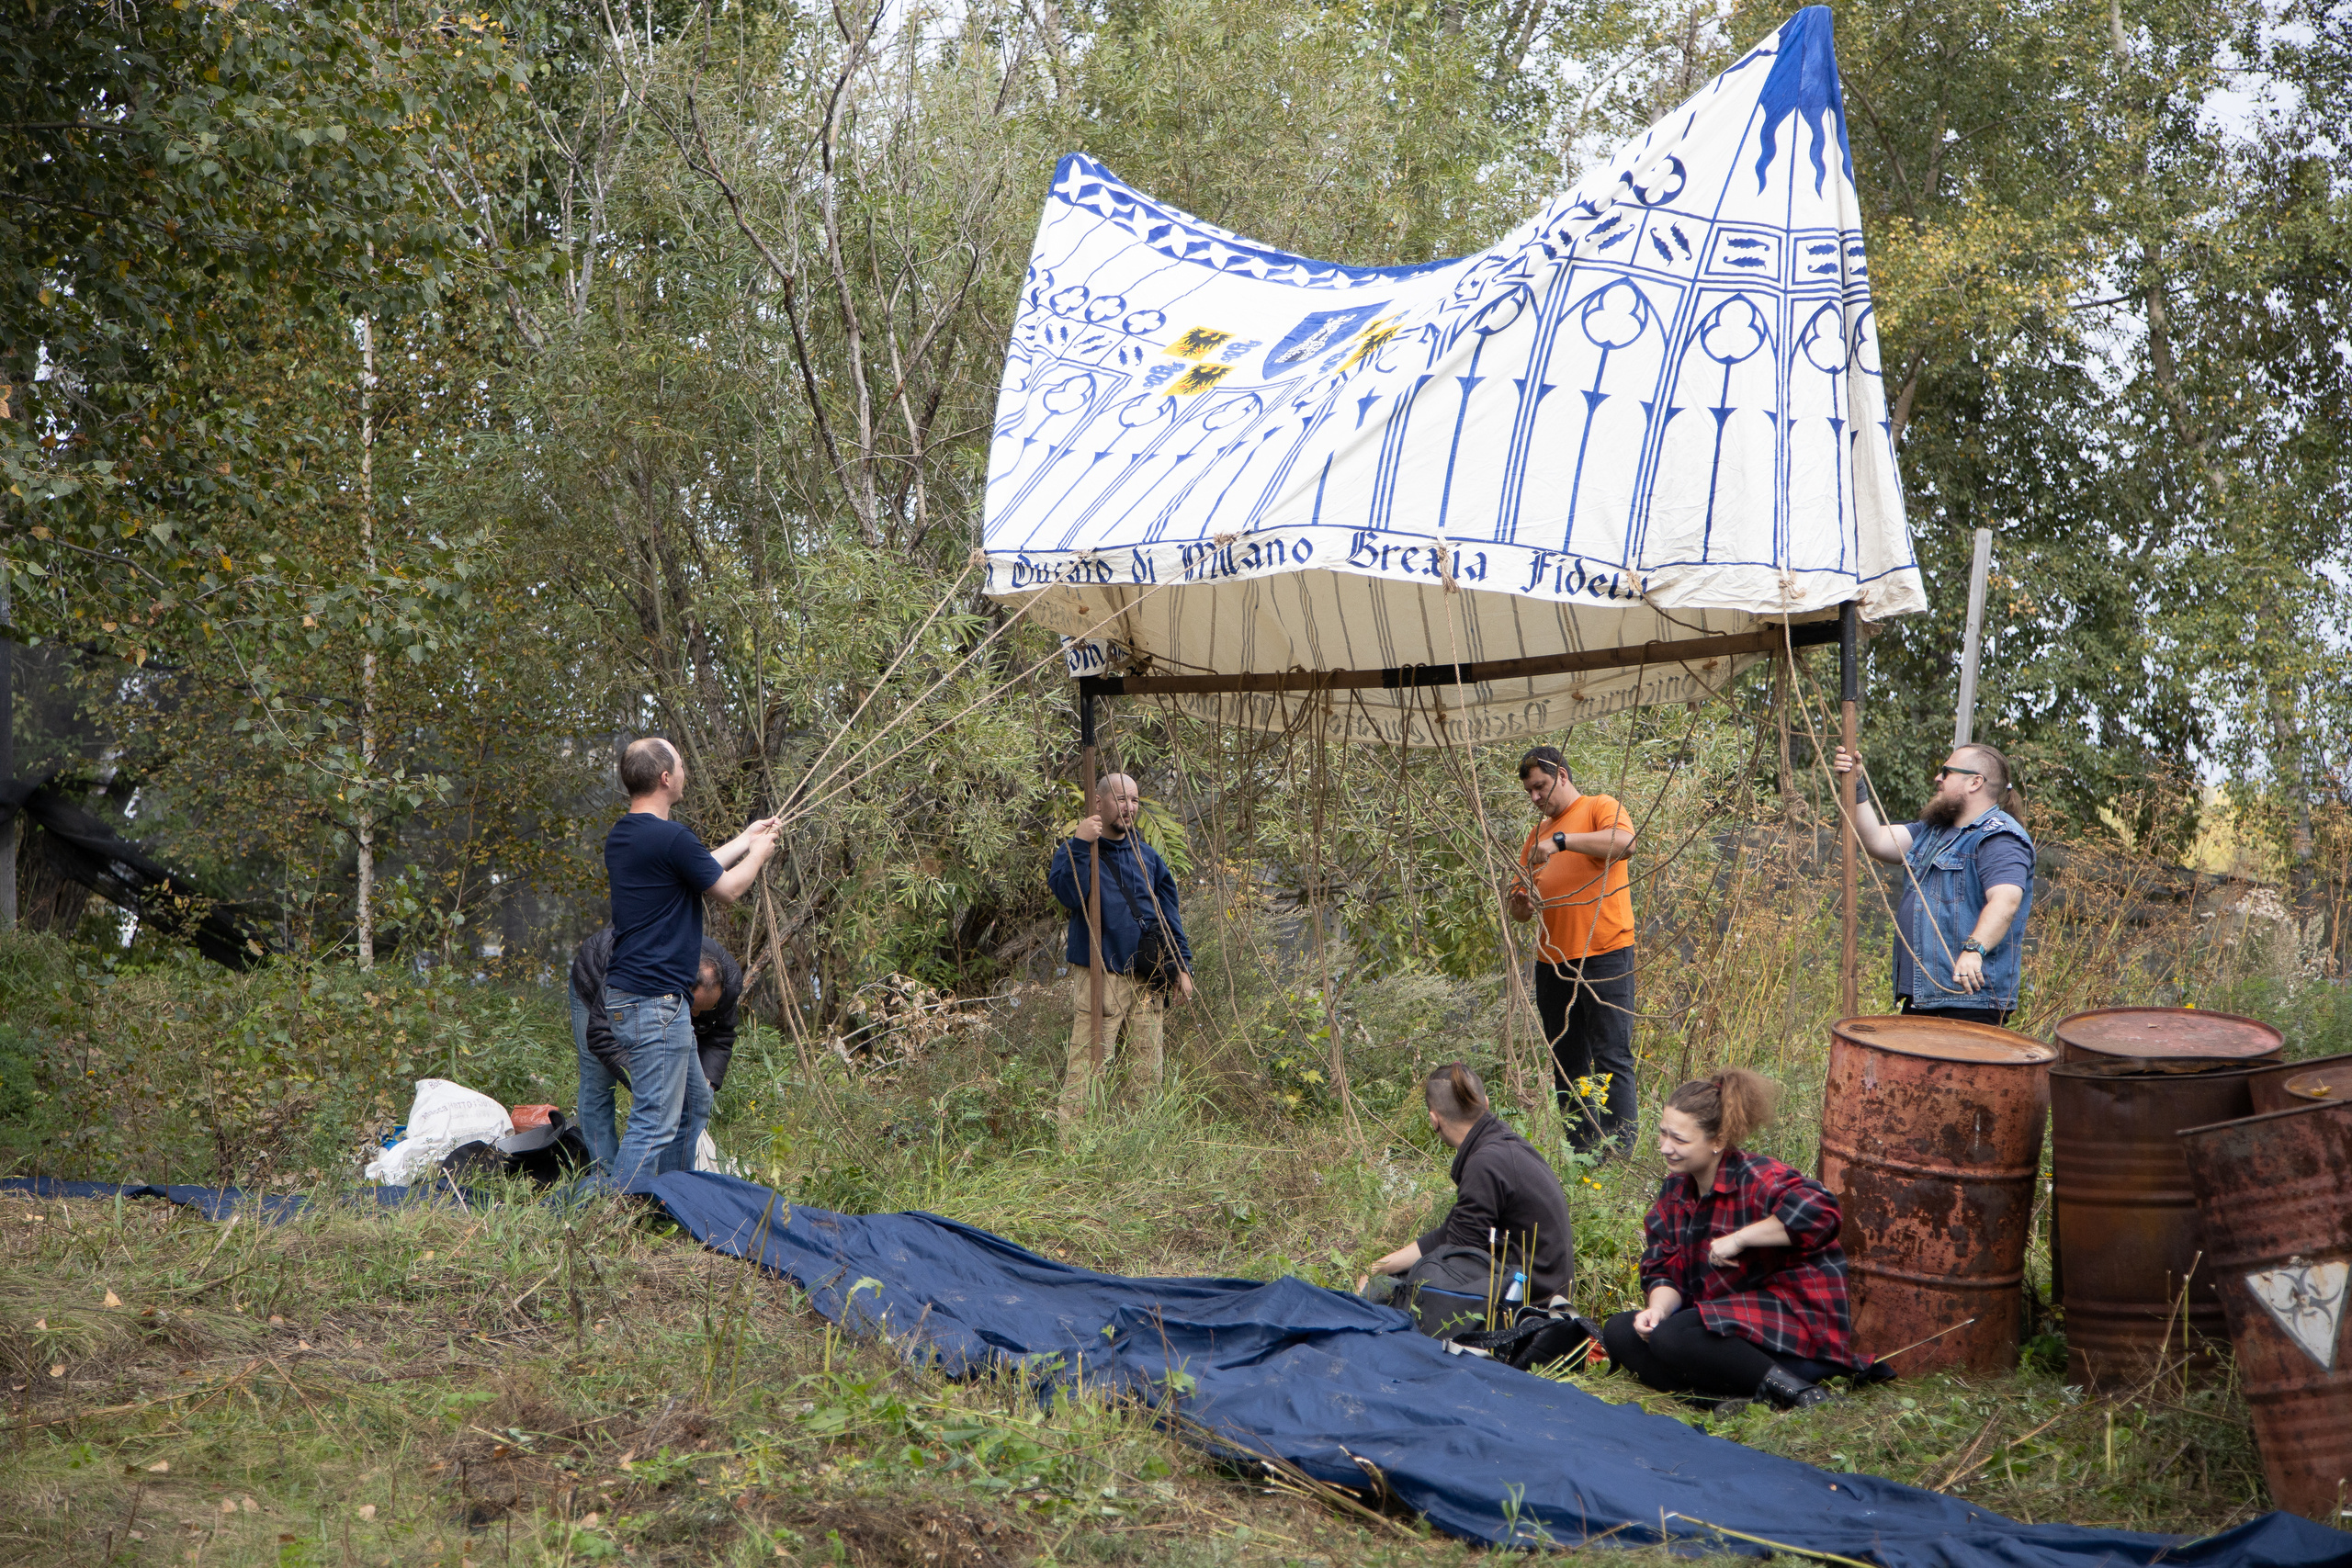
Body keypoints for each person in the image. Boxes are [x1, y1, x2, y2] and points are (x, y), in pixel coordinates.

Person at [1601, 1069, 1873, 1413]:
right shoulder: (1675, 1190)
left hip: (1790, 1330)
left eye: (1679, 1140)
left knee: (1675, 1335)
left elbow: (1822, 1211)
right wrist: (1657, 1310)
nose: (1665, 1147)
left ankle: (1803, 1394)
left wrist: (1741, 1239)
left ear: (1718, 1140)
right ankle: (1727, 1402)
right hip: (1722, 1330)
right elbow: (1664, 1267)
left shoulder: (1757, 1177)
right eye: (1663, 1133)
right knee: (1622, 1331)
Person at [601, 737, 778, 1190]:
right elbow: (728, 889)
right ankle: (615, 1214)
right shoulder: (671, 837)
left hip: (636, 997)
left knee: (694, 1104)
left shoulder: (625, 834)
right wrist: (759, 855)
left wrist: (746, 839)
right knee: (656, 1121)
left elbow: (696, 868)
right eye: (680, 765)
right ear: (666, 778)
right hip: (653, 1002)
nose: (685, 772)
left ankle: (673, 1195)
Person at [1831, 742, 2034, 1027]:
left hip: (1969, 1002)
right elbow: (1875, 840)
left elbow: (2005, 902)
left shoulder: (2000, 838)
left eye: (1947, 772)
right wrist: (1856, 785)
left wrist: (1974, 950)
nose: (1938, 778)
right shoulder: (1932, 832)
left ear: (1975, 782)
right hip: (1925, 998)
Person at [1507, 746, 1638, 1155]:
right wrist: (1520, 906)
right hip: (1552, 964)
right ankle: (1581, 1156)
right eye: (1529, 791)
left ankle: (1619, 1158)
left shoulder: (1599, 807)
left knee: (1611, 1057)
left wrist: (1562, 841)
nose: (1535, 797)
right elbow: (1519, 906)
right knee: (1567, 1063)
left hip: (1605, 954)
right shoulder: (1535, 837)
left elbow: (1625, 843)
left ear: (1562, 776)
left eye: (1541, 786)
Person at [1359, 1062, 1574, 1304]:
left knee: (1383, 1292)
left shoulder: (1485, 1163)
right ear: (1486, 1104)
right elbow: (1451, 1234)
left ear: (1434, 1120)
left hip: (1528, 1305)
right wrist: (1381, 1266)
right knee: (1387, 1279)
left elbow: (1456, 1256)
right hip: (1546, 1290)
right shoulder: (1502, 1146)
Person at [1046, 773, 1193, 1123]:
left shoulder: (1149, 857)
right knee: (1087, 1068)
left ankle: (1136, 1145)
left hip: (1148, 978)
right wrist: (1081, 844)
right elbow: (1069, 896)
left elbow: (1168, 914)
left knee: (1146, 1075)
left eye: (1135, 800)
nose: (1130, 807)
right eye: (1121, 798)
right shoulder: (1075, 850)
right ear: (1098, 802)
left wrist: (1182, 966)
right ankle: (1072, 1144)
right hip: (1101, 975)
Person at [570, 927, 743, 1171]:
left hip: (659, 995)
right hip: (594, 977)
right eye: (692, 1008)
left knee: (693, 1100)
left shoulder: (730, 982)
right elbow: (601, 1035)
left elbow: (721, 1036)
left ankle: (671, 1180)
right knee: (599, 1083)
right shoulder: (645, 969)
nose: (696, 1016)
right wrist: (651, 1077)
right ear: (679, 988)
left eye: (705, 1009)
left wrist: (707, 1082)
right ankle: (605, 1173)